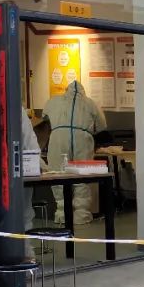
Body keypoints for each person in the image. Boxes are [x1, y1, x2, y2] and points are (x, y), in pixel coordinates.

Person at [42, 80, 107, 225]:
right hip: (83, 138)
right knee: (82, 177)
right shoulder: (91, 103)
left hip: (58, 138)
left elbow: (44, 117)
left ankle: (61, 213)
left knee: (58, 174)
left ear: (66, 90)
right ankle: (81, 215)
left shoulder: (53, 101)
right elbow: (102, 125)